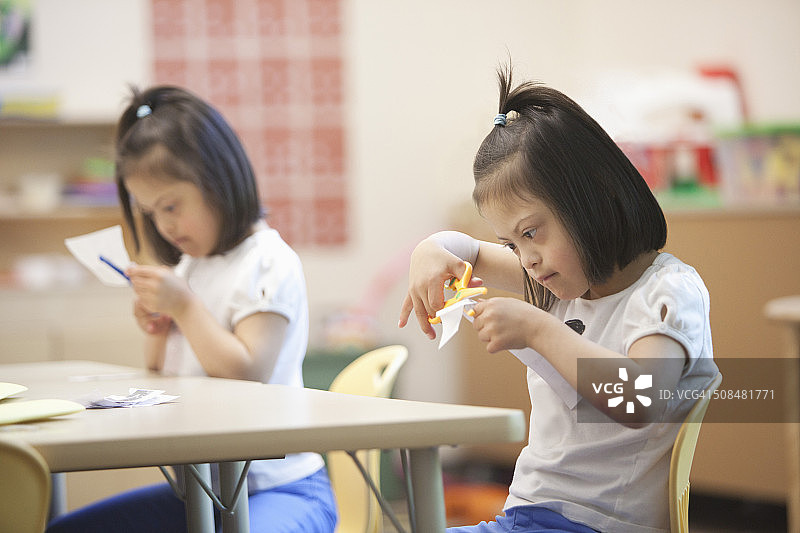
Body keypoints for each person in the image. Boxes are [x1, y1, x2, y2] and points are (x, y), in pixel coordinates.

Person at [398, 66, 719, 533]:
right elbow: (464, 250)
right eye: (511, 244)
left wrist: (537, 330)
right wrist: (431, 250)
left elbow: (642, 401)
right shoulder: (564, 282)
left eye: (530, 233)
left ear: (592, 199)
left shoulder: (665, 293)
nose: (525, 259)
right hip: (533, 515)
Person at [47, 86, 338, 533]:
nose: (163, 224)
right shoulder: (192, 266)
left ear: (218, 180)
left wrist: (184, 307)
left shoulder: (267, 261)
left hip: (281, 487)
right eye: (150, 212)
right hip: (202, 493)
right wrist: (158, 325)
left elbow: (246, 372)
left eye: (171, 206)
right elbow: (158, 373)